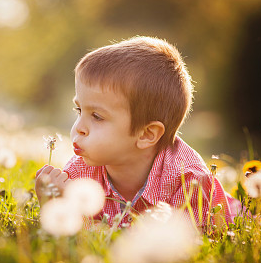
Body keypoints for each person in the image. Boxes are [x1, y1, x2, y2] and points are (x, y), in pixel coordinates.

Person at [35, 36, 240, 229]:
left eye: (97, 116)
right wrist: (54, 202)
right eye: (79, 110)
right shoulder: (80, 172)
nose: (78, 127)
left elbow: (183, 248)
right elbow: (77, 242)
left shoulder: (189, 183)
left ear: (147, 134)